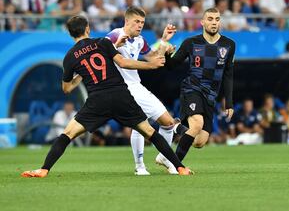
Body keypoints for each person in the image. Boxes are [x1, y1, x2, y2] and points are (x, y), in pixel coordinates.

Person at [21, 15, 192, 178]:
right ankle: (180, 167)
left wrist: (82, 73)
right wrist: (151, 65)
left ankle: (44, 170)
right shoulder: (103, 42)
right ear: (87, 29)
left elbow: (67, 88)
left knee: (67, 134)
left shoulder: (70, 57)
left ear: (70, 33)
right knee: (151, 133)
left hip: (97, 100)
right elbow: (123, 63)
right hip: (120, 95)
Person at [106, 6, 186, 175]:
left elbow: (154, 57)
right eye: (136, 21)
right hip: (121, 88)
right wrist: (115, 44)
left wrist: (164, 41)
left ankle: (164, 157)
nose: (140, 25)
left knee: (168, 123)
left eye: (142, 22)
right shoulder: (115, 34)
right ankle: (140, 166)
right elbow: (101, 49)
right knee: (140, 125)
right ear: (126, 21)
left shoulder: (140, 40)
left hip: (137, 86)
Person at [164, 8, 235, 162]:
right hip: (192, 89)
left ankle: (177, 127)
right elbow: (171, 66)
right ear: (202, 22)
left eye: (217, 19)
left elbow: (228, 75)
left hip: (211, 95)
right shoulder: (191, 42)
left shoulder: (229, 45)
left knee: (199, 142)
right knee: (197, 124)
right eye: (210, 19)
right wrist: (167, 54)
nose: (214, 22)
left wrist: (228, 102)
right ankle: (174, 164)